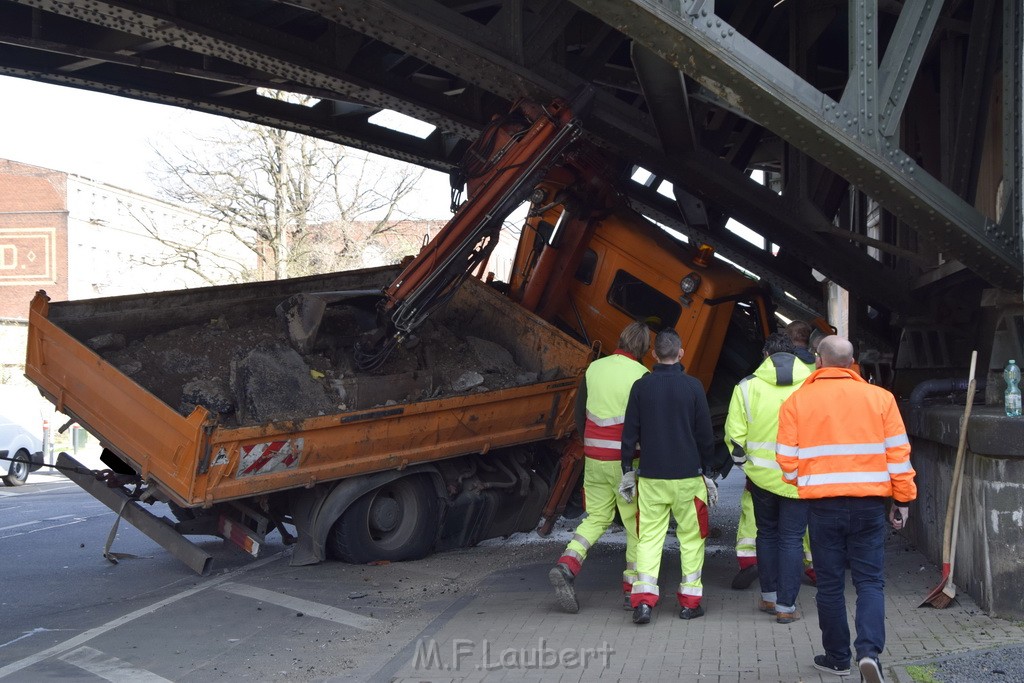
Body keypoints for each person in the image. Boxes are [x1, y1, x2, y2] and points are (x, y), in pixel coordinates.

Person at [776, 335, 917, 683]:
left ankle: (838, 659)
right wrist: (902, 500)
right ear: (853, 363)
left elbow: (787, 464)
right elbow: (898, 456)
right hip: (869, 505)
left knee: (829, 586)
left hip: (822, 506)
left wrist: (809, 483)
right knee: (870, 582)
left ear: (818, 361)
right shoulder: (881, 399)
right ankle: (869, 654)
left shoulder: (796, 402)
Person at [549, 321, 651, 613]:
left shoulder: (595, 369)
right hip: (626, 463)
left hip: (594, 457)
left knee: (597, 517)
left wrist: (590, 442)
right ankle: (631, 590)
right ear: (644, 349)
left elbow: (580, 413)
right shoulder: (642, 375)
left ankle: (568, 564)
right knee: (636, 525)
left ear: (619, 339)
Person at [619, 328, 715, 624]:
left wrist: (626, 471)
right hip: (688, 479)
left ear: (654, 354)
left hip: (651, 478)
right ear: (681, 353)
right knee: (691, 539)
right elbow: (705, 436)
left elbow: (629, 433)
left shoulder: (641, 387)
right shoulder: (694, 387)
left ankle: (644, 602)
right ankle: (689, 603)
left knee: (648, 538)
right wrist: (708, 473)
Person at [725, 331, 811, 623]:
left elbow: (735, 440)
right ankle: (787, 608)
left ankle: (768, 598)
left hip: (761, 479)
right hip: (799, 478)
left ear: (765, 356)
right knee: (791, 539)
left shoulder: (747, 387)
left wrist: (746, 467)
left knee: (767, 534)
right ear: (795, 355)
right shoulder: (811, 386)